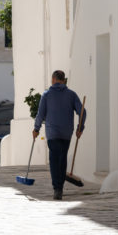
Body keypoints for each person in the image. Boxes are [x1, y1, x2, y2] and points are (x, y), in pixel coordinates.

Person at [32, 70, 86, 200]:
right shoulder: (72, 95)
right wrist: (80, 128)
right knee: (62, 158)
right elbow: (83, 112)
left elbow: (40, 114)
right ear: (64, 80)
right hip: (67, 133)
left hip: (52, 133)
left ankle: (57, 188)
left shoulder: (46, 95)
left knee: (54, 160)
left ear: (53, 80)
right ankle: (59, 187)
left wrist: (36, 129)